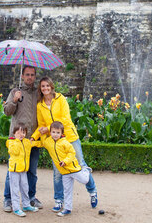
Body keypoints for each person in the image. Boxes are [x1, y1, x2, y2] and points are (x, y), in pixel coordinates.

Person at [31, 77, 97, 213]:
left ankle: (92, 191)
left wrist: (49, 128)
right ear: (40, 88)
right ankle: (58, 200)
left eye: (47, 86)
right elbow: (40, 125)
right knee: (57, 172)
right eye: (42, 86)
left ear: (52, 86)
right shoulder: (40, 105)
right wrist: (33, 137)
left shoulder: (60, 99)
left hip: (70, 137)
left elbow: (65, 119)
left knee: (81, 165)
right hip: (55, 141)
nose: (45, 89)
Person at [2, 65, 43, 212]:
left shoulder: (38, 94)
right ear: (22, 76)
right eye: (27, 74)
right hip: (17, 139)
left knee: (32, 171)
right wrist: (14, 100)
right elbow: (7, 111)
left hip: (32, 140)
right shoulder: (15, 91)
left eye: (32, 75)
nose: (30, 77)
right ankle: (8, 199)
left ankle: (30, 198)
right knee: (12, 171)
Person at [32, 121, 94, 217]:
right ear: (50, 132)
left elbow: (72, 153)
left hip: (73, 169)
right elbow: (42, 143)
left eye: (58, 132)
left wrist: (65, 161)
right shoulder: (49, 142)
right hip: (64, 172)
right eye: (53, 132)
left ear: (62, 133)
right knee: (67, 191)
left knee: (85, 179)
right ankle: (67, 209)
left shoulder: (65, 142)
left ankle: (85, 169)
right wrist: (31, 142)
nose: (55, 134)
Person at [6, 122, 39, 217]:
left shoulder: (27, 142)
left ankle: (26, 205)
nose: (21, 135)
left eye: (23, 132)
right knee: (15, 189)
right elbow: (14, 152)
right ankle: (16, 208)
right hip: (14, 171)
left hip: (24, 170)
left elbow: (37, 143)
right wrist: (16, 141)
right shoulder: (11, 142)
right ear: (14, 133)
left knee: (25, 188)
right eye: (19, 133)